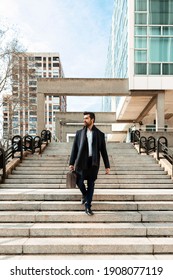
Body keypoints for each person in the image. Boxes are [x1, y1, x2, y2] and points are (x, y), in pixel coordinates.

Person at [69, 112, 110, 216]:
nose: (84, 120)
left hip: (93, 162)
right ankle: (85, 195)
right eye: (84, 118)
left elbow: (104, 151)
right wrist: (71, 163)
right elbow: (74, 149)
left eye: (86, 118)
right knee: (79, 181)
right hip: (81, 162)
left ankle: (88, 206)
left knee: (91, 184)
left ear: (92, 120)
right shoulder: (79, 133)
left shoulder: (100, 134)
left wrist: (107, 166)